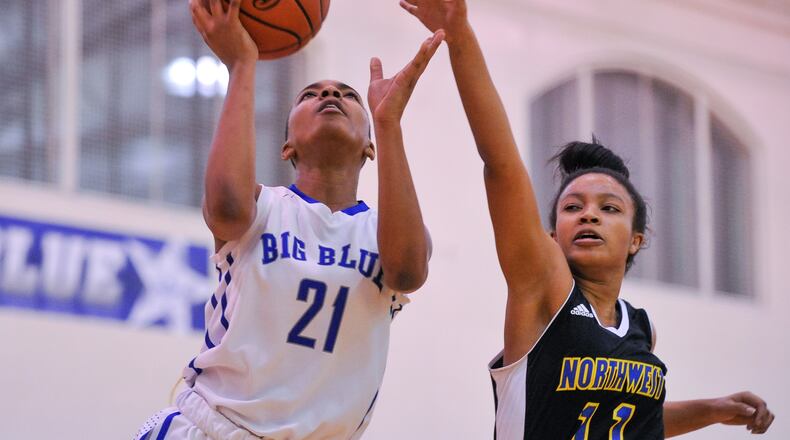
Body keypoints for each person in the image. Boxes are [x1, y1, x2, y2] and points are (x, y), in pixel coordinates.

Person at [400, 0, 775, 438]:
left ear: (637, 239)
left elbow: (624, 418)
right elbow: (500, 164)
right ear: (552, 235)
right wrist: (460, 34)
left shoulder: (640, 327)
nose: (589, 215)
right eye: (573, 207)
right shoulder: (542, 288)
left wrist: (711, 409)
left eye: (609, 208)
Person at [135, 0, 441, 438]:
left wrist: (388, 123)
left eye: (348, 95)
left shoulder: (382, 231)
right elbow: (223, 207)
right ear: (287, 147)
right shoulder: (264, 207)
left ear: (368, 147)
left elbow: (409, 271)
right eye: (310, 94)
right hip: (215, 428)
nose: (331, 95)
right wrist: (242, 64)